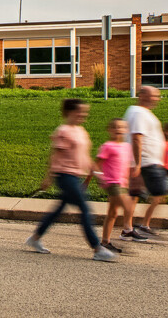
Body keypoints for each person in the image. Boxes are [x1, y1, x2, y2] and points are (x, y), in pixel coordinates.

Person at [26, 99, 118, 262]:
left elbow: (85, 156)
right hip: (65, 176)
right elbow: (55, 155)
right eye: (80, 112)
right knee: (85, 209)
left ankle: (35, 238)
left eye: (85, 112)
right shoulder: (63, 131)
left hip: (76, 176)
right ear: (70, 112)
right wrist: (48, 177)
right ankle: (97, 248)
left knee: (58, 210)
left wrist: (97, 173)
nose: (83, 115)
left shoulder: (81, 131)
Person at [123, 86, 168, 239]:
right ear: (142, 96)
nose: (157, 98)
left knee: (136, 195)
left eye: (157, 96)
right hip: (146, 162)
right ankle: (141, 226)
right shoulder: (138, 113)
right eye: (154, 96)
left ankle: (130, 228)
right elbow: (137, 138)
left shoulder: (142, 113)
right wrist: (137, 164)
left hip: (147, 162)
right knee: (158, 194)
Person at [93, 118, 135, 253]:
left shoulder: (127, 147)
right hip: (112, 183)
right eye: (115, 127)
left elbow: (126, 166)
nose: (118, 129)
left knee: (113, 213)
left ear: (126, 130)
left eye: (121, 127)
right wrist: (99, 177)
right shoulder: (107, 146)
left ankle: (105, 242)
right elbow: (96, 165)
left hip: (122, 183)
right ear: (109, 130)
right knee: (128, 207)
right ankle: (129, 230)